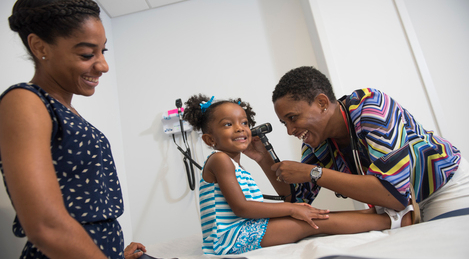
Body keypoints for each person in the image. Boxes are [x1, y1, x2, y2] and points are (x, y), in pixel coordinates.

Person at [0, 0, 146, 258]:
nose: (102, 65)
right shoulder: (25, 101)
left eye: (103, 51)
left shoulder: (66, 111)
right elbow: (46, 225)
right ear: (39, 46)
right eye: (87, 54)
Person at [182, 94, 412, 256]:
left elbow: (285, 198)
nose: (241, 128)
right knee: (308, 222)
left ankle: (382, 217)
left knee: (308, 216)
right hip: (230, 239)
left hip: (242, 231)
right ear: (210, 140)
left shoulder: (232, 164)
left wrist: (264, 159)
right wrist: (293, 209)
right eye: (228, 124)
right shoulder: (220, 160)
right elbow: (242, 208)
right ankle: (388, 220)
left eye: (244, 122)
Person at [269, 65, 469, 223]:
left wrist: (314, 173)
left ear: (322, 103)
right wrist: (262, 157)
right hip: (400, 206)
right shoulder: (316, 142)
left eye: (293, 118)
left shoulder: (372, 107)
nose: (289, 130)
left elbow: (394, 194)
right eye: (284, 123)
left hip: (444, 189)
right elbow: (296, 201)